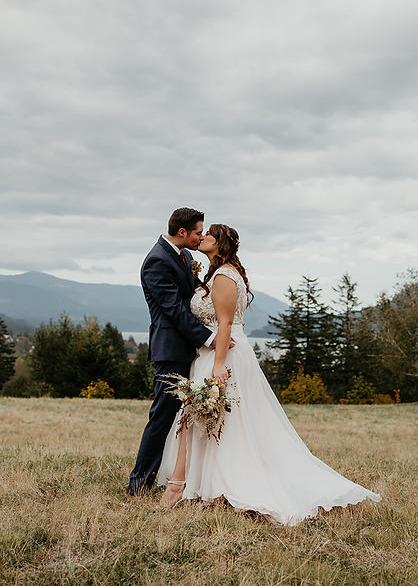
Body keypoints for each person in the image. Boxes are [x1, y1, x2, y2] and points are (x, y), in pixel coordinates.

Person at [156, 223, 381, 525]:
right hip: (214, 352)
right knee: (211, 417)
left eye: (209, 234)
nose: (203, 237)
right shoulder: (216, 274)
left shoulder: (223, 277)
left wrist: (219, 363)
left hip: (223, 354)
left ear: (220, 245)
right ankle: (189, 482)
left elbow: (224, 324)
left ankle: (185, 484)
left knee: (207, 415)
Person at [125, 207, 216, 497]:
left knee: (185, 416)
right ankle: (138, 485)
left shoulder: (186, 257)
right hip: (171, 350)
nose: (201, 237)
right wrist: (208, 337)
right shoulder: (156, 261)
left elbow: (192, 298)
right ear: (182, 232)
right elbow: (174, 310)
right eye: (198, 232)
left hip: (189, 350)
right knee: (162, 416)